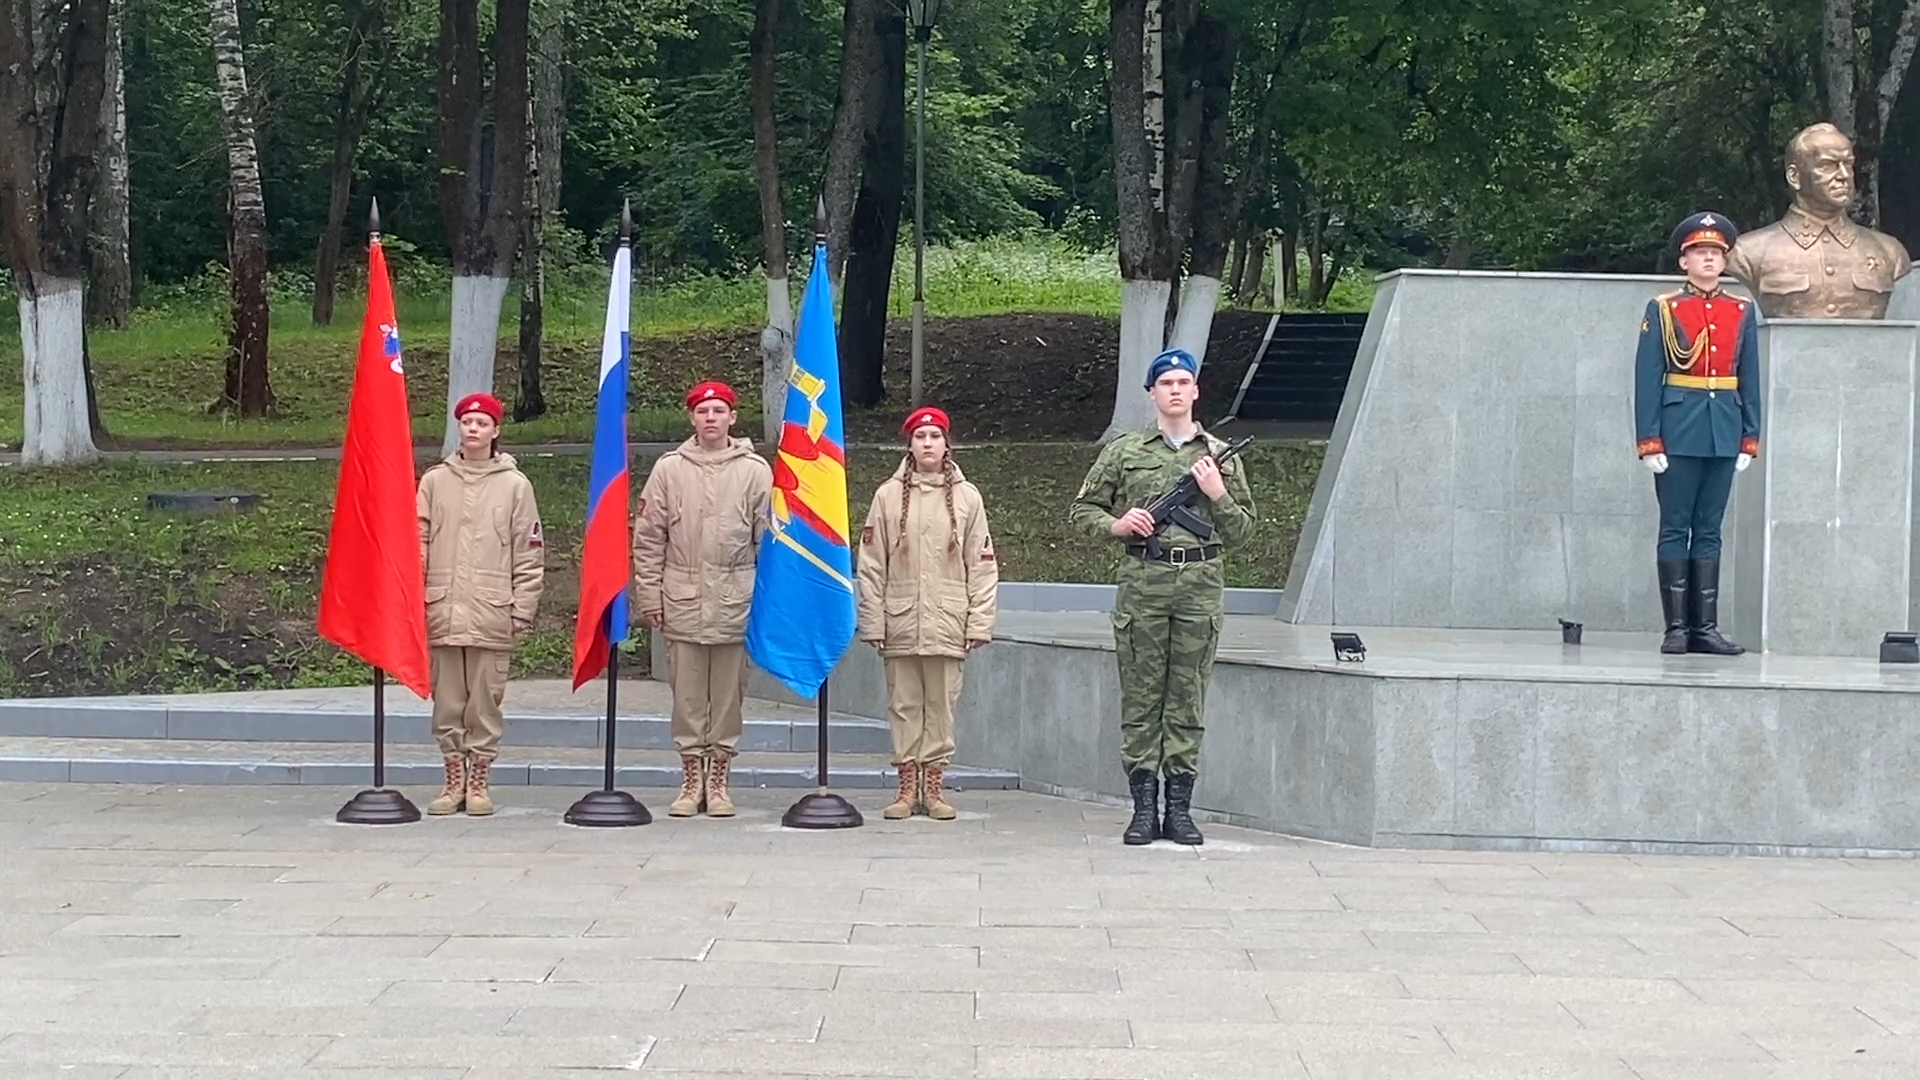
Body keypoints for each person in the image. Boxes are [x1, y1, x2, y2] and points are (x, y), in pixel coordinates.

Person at [1067, 349, 1255, 847]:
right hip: (1144, 584)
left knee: (1187, 697)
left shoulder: (1216, 455)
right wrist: (1118, 524)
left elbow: (1243, 533)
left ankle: (1181, 810)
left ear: (1196, 391)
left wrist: (1216, 492)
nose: (1175, 390)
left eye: (1183, 381)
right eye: (1165, 382)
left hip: (1199, 587)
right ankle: (1143, 810)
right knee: (1142, 697)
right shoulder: (1125, 451)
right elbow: (1082, 508)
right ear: (1151, 393)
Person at [633, 380, 773, 818]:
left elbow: (767, 544)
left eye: (719, 411)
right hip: (683, 597)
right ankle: (692, 778)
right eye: (702, 411)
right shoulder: (669, 470)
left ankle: (719, 782)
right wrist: (650, 595)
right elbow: (649, 538)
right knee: (688, 697)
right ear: (691, 418)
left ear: (733, 417)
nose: (710, 418)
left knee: (729, 697)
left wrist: (765, 604)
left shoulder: (754, 471)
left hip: (736, 600)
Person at [855, 405, 998, 821]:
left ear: (947, 443)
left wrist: (979, 620)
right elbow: (872, 562)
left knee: (940, 707)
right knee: (903, 705)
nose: (928, 444)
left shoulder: (968, 497)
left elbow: (982, 563)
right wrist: (873, 618)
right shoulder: (887, 495)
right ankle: (905, 788)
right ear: (910, 444)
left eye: (935, 437)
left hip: (948, 620)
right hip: (901, 619)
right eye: (920, 437)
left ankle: (933, 788)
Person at [1635, 212, 1762, 656]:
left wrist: (1750, 437)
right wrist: (1649, 440)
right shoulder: (1665, 309)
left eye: (1715, 254)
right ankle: (1676, 629)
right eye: (1699, 253)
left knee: (1709, 530)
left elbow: (1750, 377)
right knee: (1675, 527)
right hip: (1678, 430)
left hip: (1723, 431)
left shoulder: (1740, 311)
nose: (1709, 259)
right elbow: (1648, 378)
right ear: (1683, 261)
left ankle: (1705, 628)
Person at [417, 391, 546, 816]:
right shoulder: (435, 481)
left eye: (481, 423)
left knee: (484, 704)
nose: (473, 429)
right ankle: (453, 779)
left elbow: (529, 552)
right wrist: (412, 596)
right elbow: (415, 541)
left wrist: (522, 608)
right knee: (448, 703)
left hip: (493, 611)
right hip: (442, 608)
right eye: (466, 422)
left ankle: (479, 783)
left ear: (496, 430)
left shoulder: (514, 485)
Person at [1725, 122, 1912, 320]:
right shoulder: (1746, 253)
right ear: (1794, 177)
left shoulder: (1891, 253)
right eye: (1827, 165)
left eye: (1848, 164)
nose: (1844, 176)